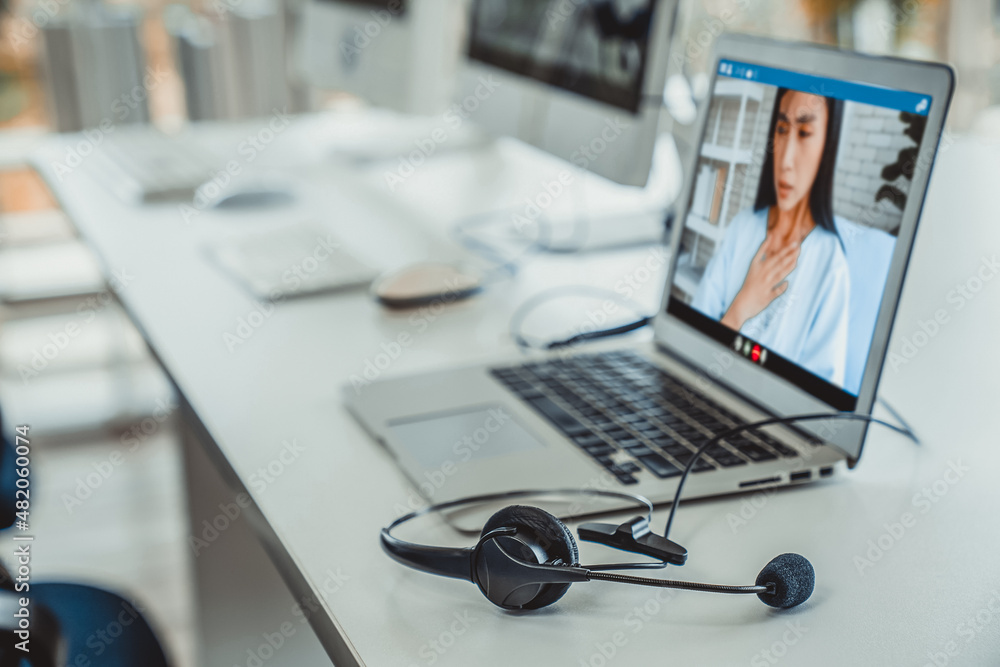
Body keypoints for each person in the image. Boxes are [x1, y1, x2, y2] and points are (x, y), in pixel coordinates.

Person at [692, 88, 851, 387]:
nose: (786, 158)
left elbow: (815, 404)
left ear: (827, 147)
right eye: (781, 129)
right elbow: (692, 345)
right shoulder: (744, 227)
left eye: (804, 133)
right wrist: (742, 306)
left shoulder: (831, 266)